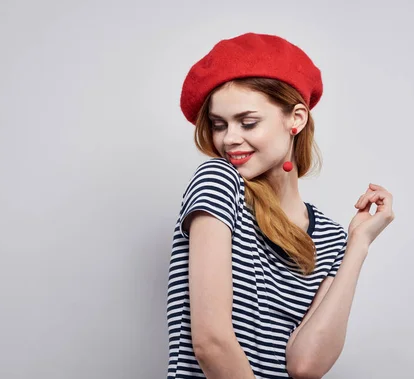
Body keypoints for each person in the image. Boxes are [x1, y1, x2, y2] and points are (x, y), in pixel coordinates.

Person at [166, 32, 395, 379]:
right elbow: (211, 343)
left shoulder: (332, 238)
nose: (229, 138)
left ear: (296, 119)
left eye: (248, 122)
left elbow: (305, 365)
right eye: (218, 125)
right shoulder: (218, 182)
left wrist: (358, 245)